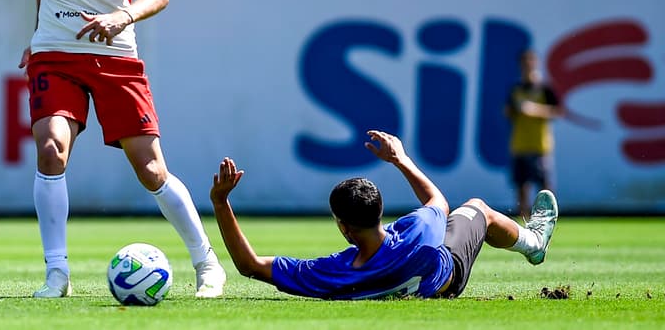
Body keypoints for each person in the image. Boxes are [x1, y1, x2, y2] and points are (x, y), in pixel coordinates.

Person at [18, 0, 225, 299]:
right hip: (55, 50)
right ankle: (56, 274)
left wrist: (122, 17)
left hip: (112, 51)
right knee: (51, 150)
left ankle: (206, 264)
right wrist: (37, 33)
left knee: (150, 169)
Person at [209, 130, 558, 300]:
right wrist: (400, 159)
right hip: (445, 274)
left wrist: (221, 202)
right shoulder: (418, 232)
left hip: (419, 287)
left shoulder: (330, 274)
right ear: (379, 211)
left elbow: (249, 265)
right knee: (479, 207)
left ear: (344, 228)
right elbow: (438, 201)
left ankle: (533, 242)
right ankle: (533, 242)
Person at [505, 49, 564, 218]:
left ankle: (546, 218)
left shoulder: (544, 88)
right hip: (520, 144)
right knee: (521, 185)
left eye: (530, 62)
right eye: (524, 63)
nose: (527, 66)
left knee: (544, 186)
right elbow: (508, 111)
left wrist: (534, 110)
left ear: (536, 64)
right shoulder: (516, 89)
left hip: (540, 144)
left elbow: (558, 111)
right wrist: (512, 111)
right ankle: (524, 219)